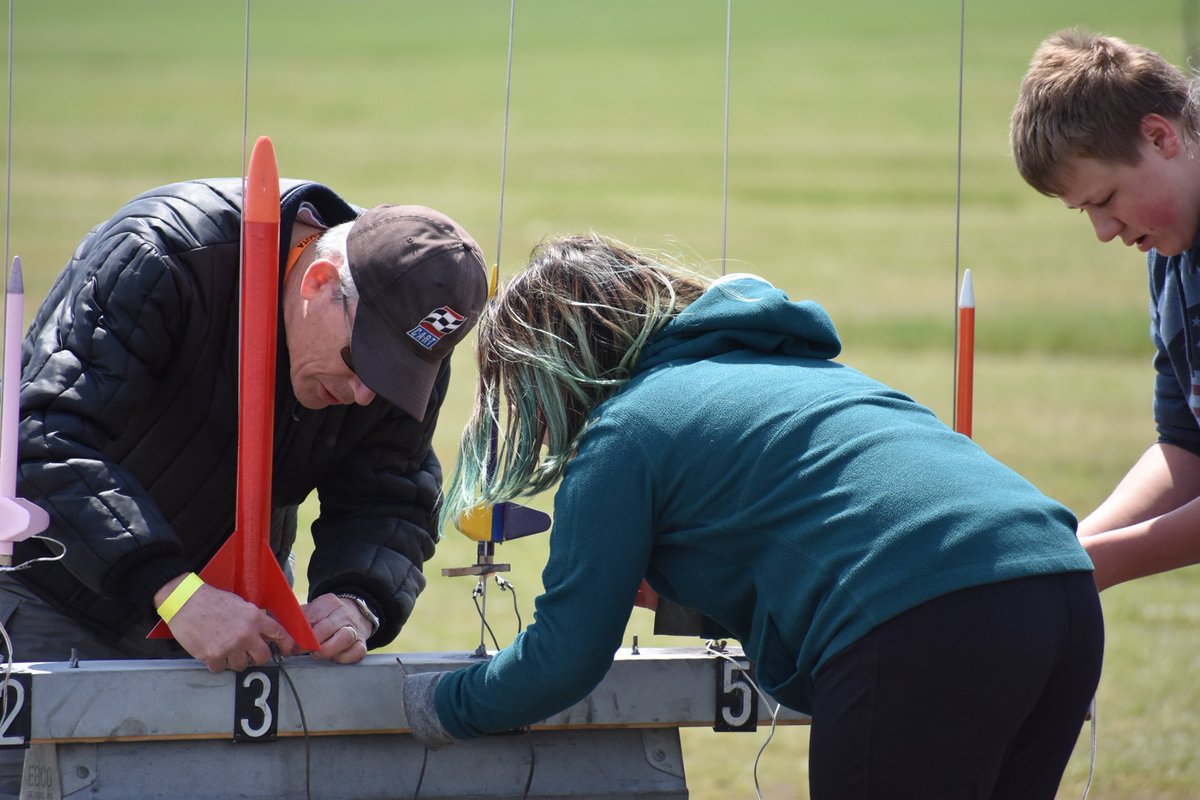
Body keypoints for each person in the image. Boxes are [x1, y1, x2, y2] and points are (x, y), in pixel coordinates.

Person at [400, 234, 1103, 799]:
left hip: (925, 616)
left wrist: (438, 706)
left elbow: (564, 658)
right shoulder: (795, 373)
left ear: (552, 372)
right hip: (1061, 586)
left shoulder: (624, 433)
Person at [1, 179, 487, 672]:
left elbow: (391, 492)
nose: (365, 394)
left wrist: (356, 600)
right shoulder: (160, 255)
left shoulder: (405, 340)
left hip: (243, 627)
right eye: (360, 362)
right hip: (51, 598)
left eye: (390, 380)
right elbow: (44, 432)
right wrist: (175, 592)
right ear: (317, 282)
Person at [1010, 29, 1200, 591]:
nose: (1103, 231)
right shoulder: (1170, 247)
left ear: (1160, 137)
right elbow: (1186, 448)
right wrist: (1065, 555)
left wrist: (1085, 566)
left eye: (1105, 199)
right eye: (1084, 212)